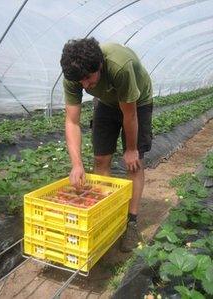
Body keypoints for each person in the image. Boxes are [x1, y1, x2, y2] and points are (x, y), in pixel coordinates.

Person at [60, 37, 153, 252]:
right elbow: (72, 121)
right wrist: (76, 164)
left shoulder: (119, 66)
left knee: (134, 162)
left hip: (137, 102)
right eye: (80, 81)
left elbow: (129, 115)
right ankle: (107, 212)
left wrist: (131, 149)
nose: (84, 85)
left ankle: (131, 221)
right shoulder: (74, 75)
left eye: (88, 79)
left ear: (100, 65)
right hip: (106, 102)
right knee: (101, 157)